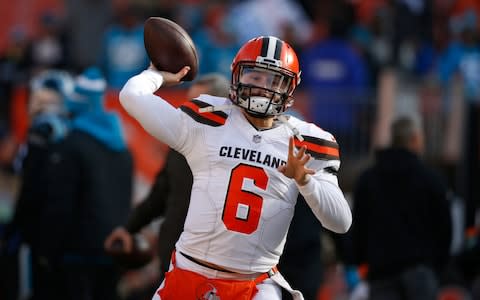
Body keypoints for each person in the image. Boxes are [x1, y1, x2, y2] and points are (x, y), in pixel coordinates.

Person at [119, 35, 352, 300]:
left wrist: (305, 181)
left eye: (274, 79)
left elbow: (341, 222)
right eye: (255, 75)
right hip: (188, 271)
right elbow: (131, 96)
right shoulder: (207, 119)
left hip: (254, 284)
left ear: (290, 86)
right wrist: (156, 74)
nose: (264, 87)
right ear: (237, 74)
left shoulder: (305, 141)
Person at [104, 73, 230, 280]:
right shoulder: (180, 144)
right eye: (188, 102)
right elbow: (160, 195)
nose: (190, 110)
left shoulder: (236, 155)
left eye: (198, 104)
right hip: (172, 259)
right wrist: (129, 228)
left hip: (213, 266)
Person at [38, 67, 133, 300]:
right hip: (113, 250)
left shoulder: (71, 143)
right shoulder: (122, 146)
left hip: (77, 254)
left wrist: (47, 249)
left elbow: (60, 203)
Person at [347, 116, 452, 300]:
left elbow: (358, 225)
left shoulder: (369, 179)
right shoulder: (431, 179)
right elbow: (444, 228)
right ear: (415, 139)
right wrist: (437, 267)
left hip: (381, 272)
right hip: (421, 272)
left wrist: (360, 260)